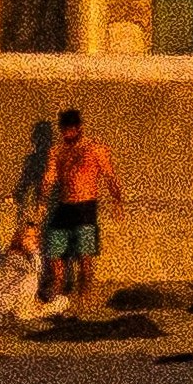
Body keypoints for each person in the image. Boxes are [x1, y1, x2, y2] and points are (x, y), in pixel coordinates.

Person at [41, 107, 121, 313]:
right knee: (55, 251)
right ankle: (58, 289)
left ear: (78, 128)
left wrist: (117, 201)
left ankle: (85, 295)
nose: (66, 134)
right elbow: (49, 178)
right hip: (64, 206)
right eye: (63, 130)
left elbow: (109, 176)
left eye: (69, 130)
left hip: (86, 206)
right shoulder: (57, 151)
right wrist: (42, 199)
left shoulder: (94, 149)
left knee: (85, 254)